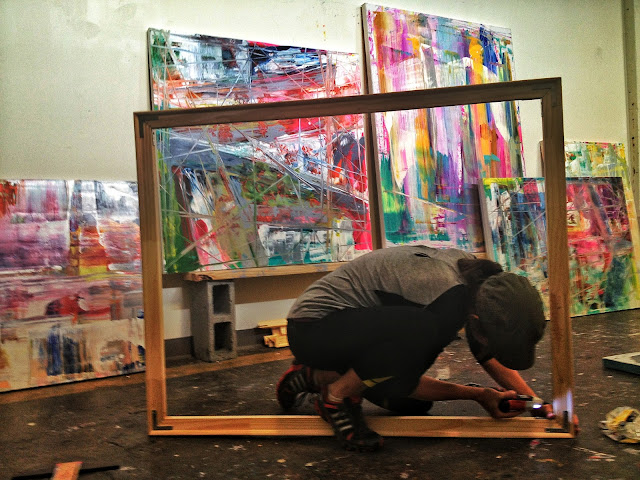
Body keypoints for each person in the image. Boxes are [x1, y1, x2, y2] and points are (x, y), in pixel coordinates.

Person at [276, 245, 551, 452]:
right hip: (311, 330)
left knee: (410, 403)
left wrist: (536, 403)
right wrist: (479, 395)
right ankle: (334, 395)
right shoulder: (443, 306)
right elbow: (404, 379)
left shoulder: (482, 283)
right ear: (478, 322)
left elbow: (485, 352)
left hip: (347, 329)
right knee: (408, 358)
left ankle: (315, 375)